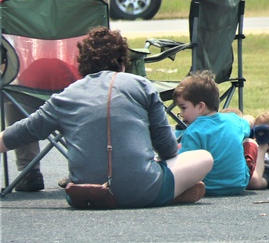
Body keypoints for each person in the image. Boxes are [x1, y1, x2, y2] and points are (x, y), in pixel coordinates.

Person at [0, 27, 213, 207]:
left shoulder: (64, 97)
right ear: (122, 62)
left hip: (84, 194)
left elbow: (21, 132)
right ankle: (172, 191)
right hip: (143, 189)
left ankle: (171, 191)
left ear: (82, 64)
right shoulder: (141, 85)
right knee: (204, 157)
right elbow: (167, 149)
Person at [1, 0, 103, 192]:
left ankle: (28, 172)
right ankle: (82, 171)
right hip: (78, 87)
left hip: (25, 87)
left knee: (12, 85)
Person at [174, 71, 256, 195]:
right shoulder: (233, 120)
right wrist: (247, 119)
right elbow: (250, 120)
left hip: (207, 187)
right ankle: (257, 175)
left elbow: (183, 165)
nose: (181, 114)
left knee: (180, 154)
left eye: (183, 107)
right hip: (239, 184)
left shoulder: (194, 131)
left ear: (200, 107)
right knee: (250, 143)